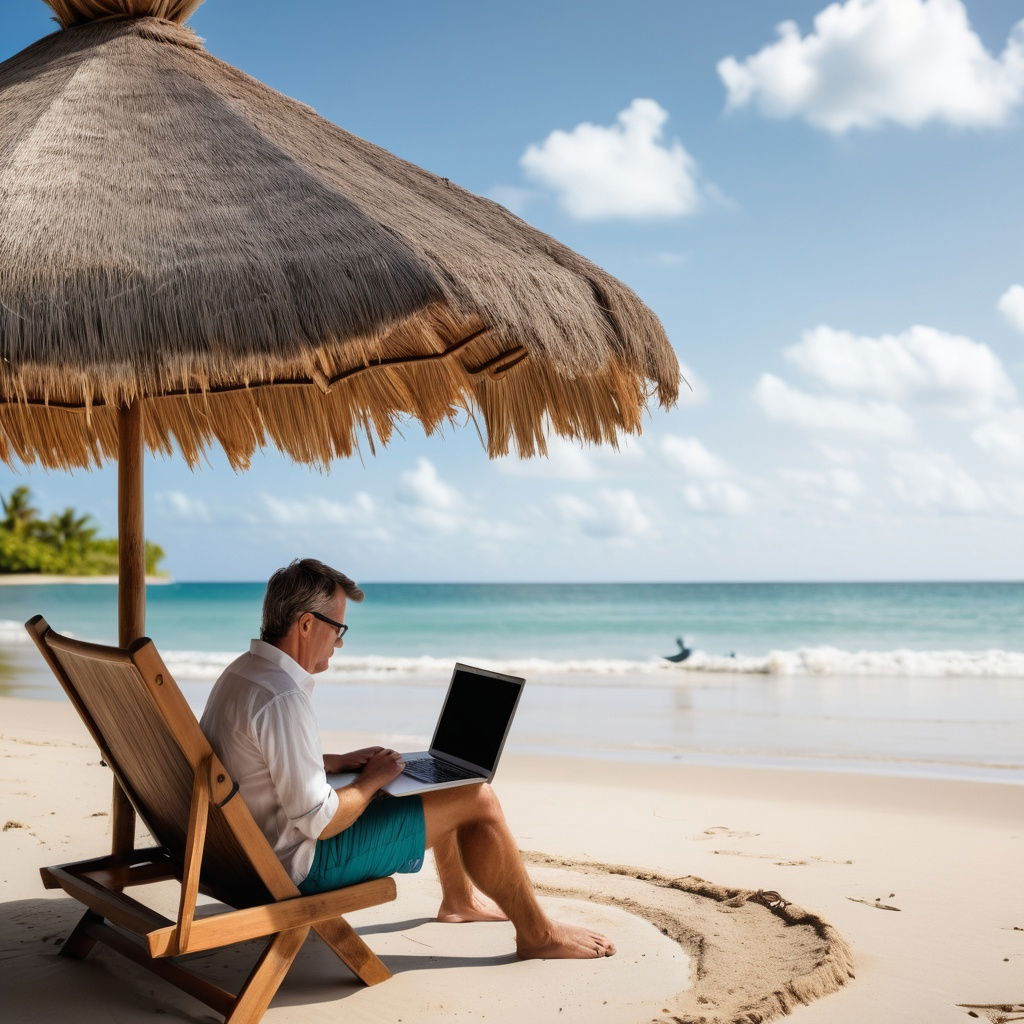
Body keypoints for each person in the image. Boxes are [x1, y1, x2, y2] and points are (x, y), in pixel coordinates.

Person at [200, 558, 614, 959]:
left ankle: (458, 901)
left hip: (243, 854)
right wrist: (370, 781)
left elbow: (251, 758)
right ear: (307, 624)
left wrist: (332, 762)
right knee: (477, 796)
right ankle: (538, 935)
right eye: (338, 629)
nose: (340, 642)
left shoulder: (244, 673)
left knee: (439, 784)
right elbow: (319, 821)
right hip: (298, 865)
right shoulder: (283, 696)